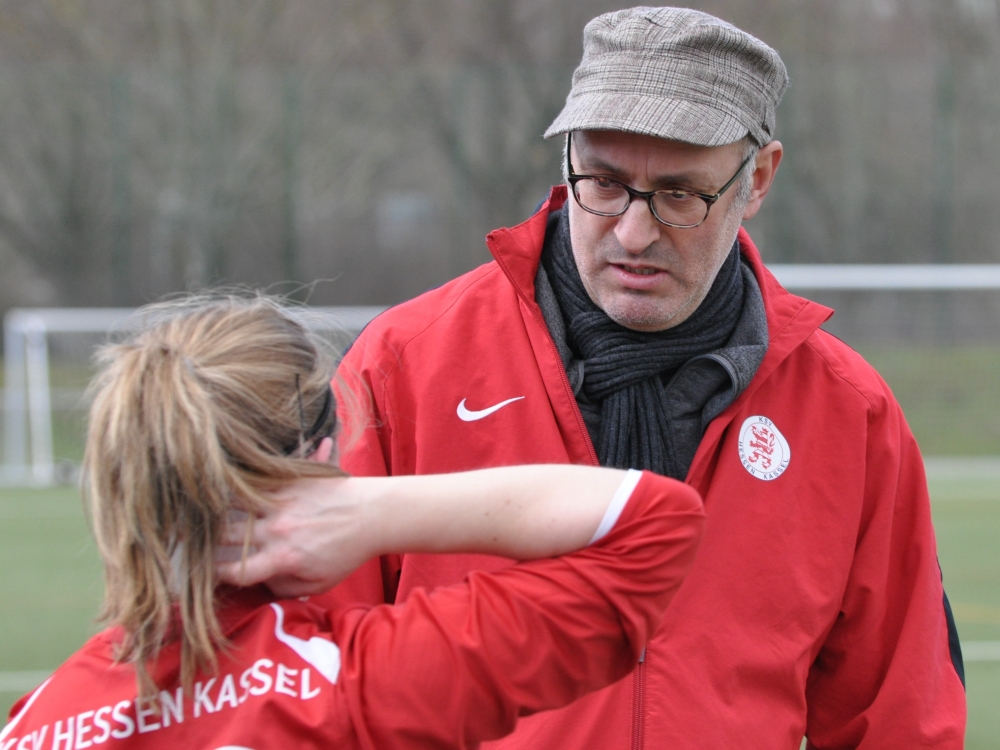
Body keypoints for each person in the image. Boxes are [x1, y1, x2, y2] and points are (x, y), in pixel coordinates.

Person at [224, 7, 967, 748]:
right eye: (604, 183)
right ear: (567, 158)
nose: (634, 233)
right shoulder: (405, 367)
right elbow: (294, 675)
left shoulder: (850, 414)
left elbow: (900, 718)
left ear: (759, 178)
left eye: (680, 195)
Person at [0, 296, 706, 750]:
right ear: (322, 458)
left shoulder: (35, 724)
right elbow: (655, 522)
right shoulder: (358, 682)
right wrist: (370, 511)